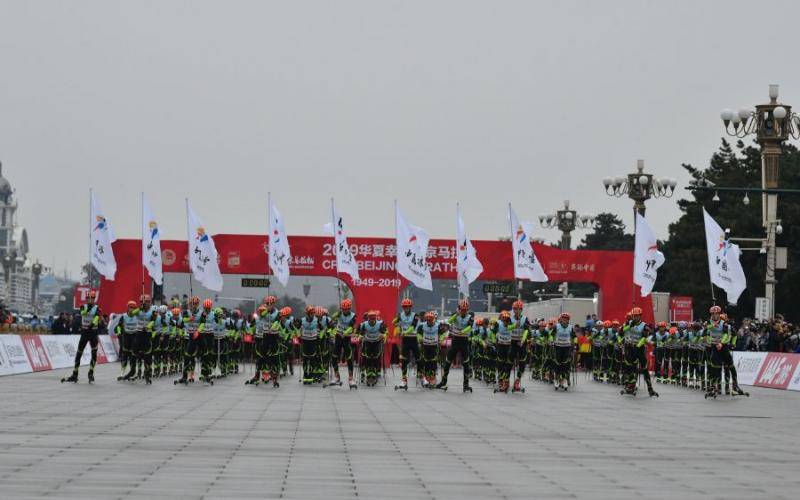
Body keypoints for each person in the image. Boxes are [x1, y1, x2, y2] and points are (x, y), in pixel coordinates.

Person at [61, 290, 103, 383]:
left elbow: (97, 317)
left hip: (93, 332)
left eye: (92, 298)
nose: (90, 300)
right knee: (79, 353)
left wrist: (93, 323)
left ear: (94, 299)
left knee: (94, 353)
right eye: (88, 298)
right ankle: (75, 374)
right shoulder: (82, 306)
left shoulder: (97, 308)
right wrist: (88, 309)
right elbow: (83, 313)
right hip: (84, 332)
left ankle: (91, 373)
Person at [704, 306, 747, 398]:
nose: (714, 316)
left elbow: (725, 334)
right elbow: (706, 329)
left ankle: (735, 386)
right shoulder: (708, 322)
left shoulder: (724, 324)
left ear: (719, 314)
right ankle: (713, 387)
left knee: (731, 366)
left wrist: (722, 343)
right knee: (715, 368)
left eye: (716, 314)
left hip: (723, 347)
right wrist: (712, 326)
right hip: (714, 347)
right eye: (713, 314)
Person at [619, 307, 657, 397]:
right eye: (634, 316)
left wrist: (638, 345)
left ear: (640, 316)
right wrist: (629, 326)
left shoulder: (644, 325)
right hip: (630, 348)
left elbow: (644, 337)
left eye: (637, 316)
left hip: (639, 348)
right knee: (630, 367)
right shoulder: (629, 323)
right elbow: (621, 332)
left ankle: (650, 389)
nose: (635, 317)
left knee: (644, 369)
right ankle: (631, 386)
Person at [439, 299, 474, 392]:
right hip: (455, 340)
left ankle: (466, 384)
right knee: (448, 361)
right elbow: (448, 322)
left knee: (466, 363)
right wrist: (456, 314)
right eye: (462, 309)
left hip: (464, 341)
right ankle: (443, 381)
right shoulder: (456, 314)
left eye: (465, 310)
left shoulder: (470, 317)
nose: (464, 311)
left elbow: (470, 326)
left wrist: (462, 331)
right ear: (459, 308)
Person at [330, 299, 358, 387]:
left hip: (346, 337)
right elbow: (332, 318)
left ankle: (350, 378)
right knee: (334, 356)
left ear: (350, 308)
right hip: (338, 336)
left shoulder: (353, 316)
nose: (345, 311)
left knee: (349, 357)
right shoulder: (340, 313)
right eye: (343, 309)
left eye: (347, 309)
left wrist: (345, 333)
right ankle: (337, 376)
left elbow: (351, 327)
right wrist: (336, 314)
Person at [393, 298, 419, 390]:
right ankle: (404, 380)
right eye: (404, 307)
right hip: (405, 340)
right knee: (404, 360)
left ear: (410, 307)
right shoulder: (401, 314)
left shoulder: (415, 315)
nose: (406, 308)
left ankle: (422, 376)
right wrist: (396, 320)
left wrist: (405, 331)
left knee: (418, 359)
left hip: (413, 338)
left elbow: (413, 327)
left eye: (407, 307)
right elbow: (394, 323)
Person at [175, 296, 202, 385]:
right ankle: (184, 376)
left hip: (198, 336)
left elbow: (203, 323)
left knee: (196, 356)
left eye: (195, 304)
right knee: (187, 356)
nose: (193, 305)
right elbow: (182, 322)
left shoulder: (201, 313)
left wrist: (198, 331)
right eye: (192, 304)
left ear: (198, 304)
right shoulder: (186, 312)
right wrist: (189, 319)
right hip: (188, 336)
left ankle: (196, 375)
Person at [416, 311, 447, 388]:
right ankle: (427, 378)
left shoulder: (438, 326)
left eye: (431, 320)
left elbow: (444, 334)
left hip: (434, 346)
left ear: (433, 319)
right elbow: (418, 334)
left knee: (433, 362)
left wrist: (441, 339)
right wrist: (420, 339)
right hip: (425, 346)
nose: (429, 322)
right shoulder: (422, 326)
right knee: (426, 361)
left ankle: (433, 378)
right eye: (428, 320)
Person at [357, 310, 386, 386]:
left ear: (376, 319)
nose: (372, 321)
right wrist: (359, 338)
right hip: (368, 341)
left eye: (374, 320)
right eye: (370, 320)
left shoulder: (380, 324)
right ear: (368, 319)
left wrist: (383, 336)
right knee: (368, 357)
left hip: (377, 341)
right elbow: (361, 334)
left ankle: (375, 372)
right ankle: (368, 372)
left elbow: (384, 333)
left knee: (376, 357)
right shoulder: (364, 324)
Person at [508, 300, 530, 392]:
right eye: (515, 309)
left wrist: (523, 340)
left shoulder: (525, 319)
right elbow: (507, 328)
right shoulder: (510, 318)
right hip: (513, 341)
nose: (517, 311)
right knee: (509, 361)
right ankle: (505, 380)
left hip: (521, 342)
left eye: (519, 309)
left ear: (521, 310)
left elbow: (526, 330)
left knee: (522, 363)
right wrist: (514, 325)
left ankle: (518, 380)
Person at [297, 305, 323, 384]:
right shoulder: (302, 320)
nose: (311, 315)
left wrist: (319, 337)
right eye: (309, 314)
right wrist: (299, 336)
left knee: (312, 359)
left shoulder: (316, 320)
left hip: (313, 342)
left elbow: (321, 329)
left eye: (312, 313)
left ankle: (311, 376)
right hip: (305, 342)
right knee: (305, 359)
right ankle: (305, 376)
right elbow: (297, 328)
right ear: (307, 314)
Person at [117, 301, 141, 381]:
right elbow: (118, 326)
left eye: (133, 308)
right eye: (130, 307)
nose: (132, 309)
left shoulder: (137, 315)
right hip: (126, 336)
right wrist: (119, 332)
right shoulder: (123, 316)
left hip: (134, 335)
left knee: (133, 355)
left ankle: (133, 372)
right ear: (128, 307)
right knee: (125, 355)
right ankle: (122, 372)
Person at [552, 312, 576, 391]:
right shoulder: (557, 326)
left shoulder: (570, 327)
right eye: (563, 319)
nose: (565, 320)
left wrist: (574, 345)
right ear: (561, 319)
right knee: (558, 362)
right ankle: (557, 378)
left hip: (567, 347)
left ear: (568, 320)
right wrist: (552, 342)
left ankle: (565, 379)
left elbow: (573, 337)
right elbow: (551, 335)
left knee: (566, 363)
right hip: (558, 346)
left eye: (566, 319)